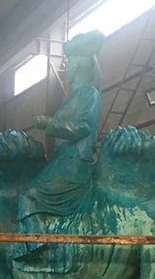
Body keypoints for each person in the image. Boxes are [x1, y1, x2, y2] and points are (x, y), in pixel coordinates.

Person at [17, 29, 104, 233]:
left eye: (69, 62)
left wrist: (50, 123)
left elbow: (83, 127)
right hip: (62, 160)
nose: (66, 68)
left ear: (76, 64)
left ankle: (38, 245)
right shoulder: (76, 96)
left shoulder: (88, 93)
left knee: (28, 195)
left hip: (73, 163)